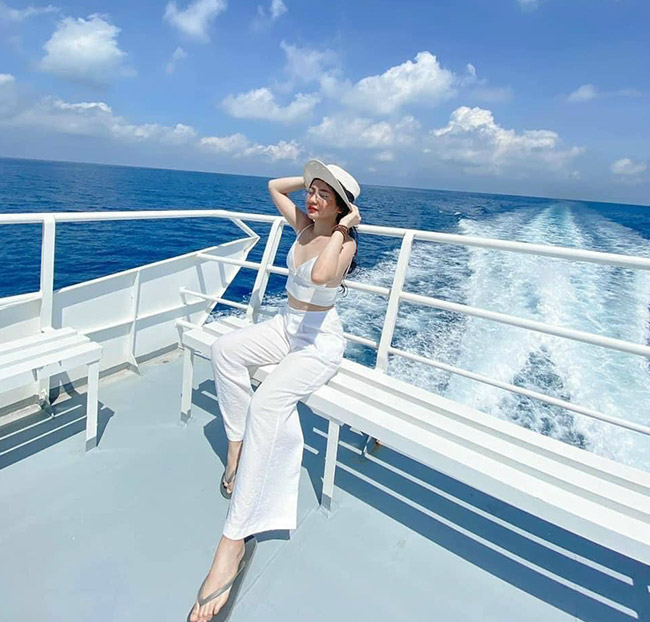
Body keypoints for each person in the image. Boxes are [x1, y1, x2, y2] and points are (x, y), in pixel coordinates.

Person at [188, 160, 362, 621]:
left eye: (325, 194)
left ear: (342, 207)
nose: (313, 198)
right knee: (225, 350)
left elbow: (321, 278)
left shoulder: (343, 244)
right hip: (287, 324)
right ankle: (237, 447)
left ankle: (232, 543)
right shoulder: (303, 224)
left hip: (318, 340)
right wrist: (315, 178)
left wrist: (344, 226)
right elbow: (273, 186)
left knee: (266, 404)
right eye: (312, 190)